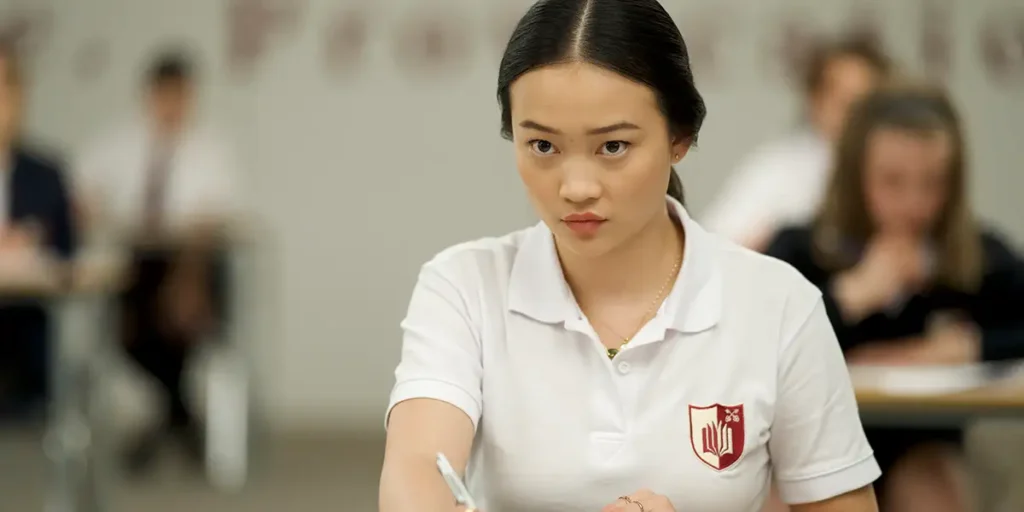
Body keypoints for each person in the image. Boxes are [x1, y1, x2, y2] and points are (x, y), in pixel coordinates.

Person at [380, 1, 882, 511]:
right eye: (543, 146)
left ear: (679, 137)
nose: (576, 187)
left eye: (613, 146)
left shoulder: (779, 305)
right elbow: (417, 470)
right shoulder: (465, 286)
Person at [765, 84, 1024, 512]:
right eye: (892, 181)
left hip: (920, 448)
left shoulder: (974, 257)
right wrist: (849, 296)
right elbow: (756, 338)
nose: (914, 203)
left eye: (933, 183)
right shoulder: (801, 248)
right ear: (854, 176)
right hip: (807, 451)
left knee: (935, 494)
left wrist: (968, 347)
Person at [72, 48, 239, 474]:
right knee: (128, 327)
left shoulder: (211, 149)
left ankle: (167, 423)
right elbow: (80, 197)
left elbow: (211, 224)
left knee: (179, 316)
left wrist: (187, 281)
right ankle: (180, 417)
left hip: (191, 267)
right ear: (150, 95)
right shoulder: (118, 143)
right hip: (134, 267)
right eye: (166, 95)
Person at [701, 35, 891, 251]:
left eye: (866, 106)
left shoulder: (899, 173)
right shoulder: (778, 169)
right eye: (844, 103)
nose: (855, 118)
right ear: (815, 100)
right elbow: (715, 248)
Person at [0, 42, 76, 418]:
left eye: (7, 87)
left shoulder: (46, 174)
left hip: (25, 314)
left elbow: (68, 249)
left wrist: (34, 239)